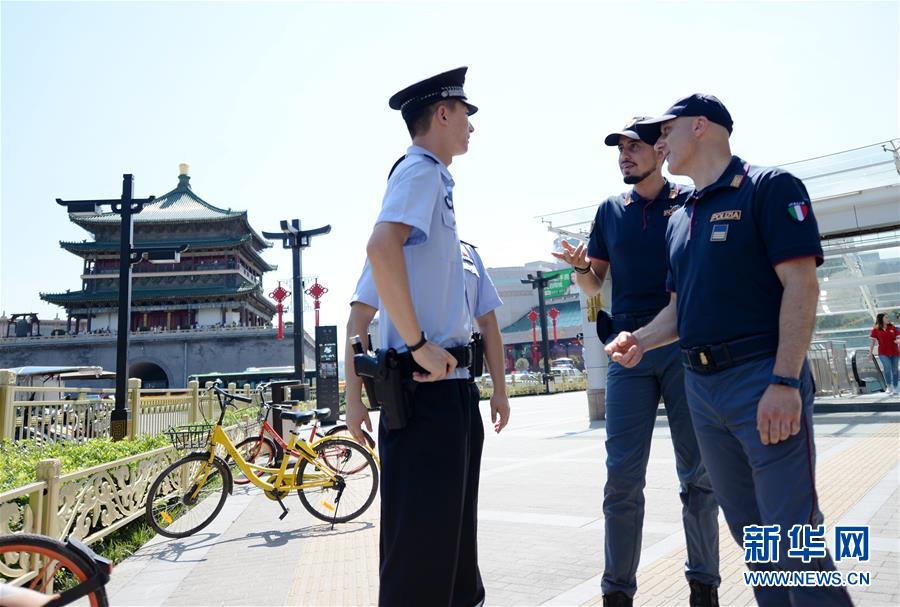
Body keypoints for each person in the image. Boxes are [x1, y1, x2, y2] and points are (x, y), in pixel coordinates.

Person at [606, 93, 853, 606]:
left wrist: (785, 381)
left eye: (665, 131)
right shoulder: (682, 216)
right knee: (754, 540)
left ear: (700, 128)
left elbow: (802, 286)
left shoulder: (768, 188)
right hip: (702, 392)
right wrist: (640, 339)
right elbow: (681, 310)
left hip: (761, 381)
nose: (659, 143)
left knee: (793, 540)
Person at [552, 117, 719, 607]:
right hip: (627, 353)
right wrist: (582, 267)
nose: (624, 156)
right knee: (622, 477)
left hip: (683, 350)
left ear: (661, 150)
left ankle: (703, 585)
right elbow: (594, 285)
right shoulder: (609, 211)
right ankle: (616, 592)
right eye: (619, 150)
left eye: (634, 147)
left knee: (698, 477)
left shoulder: (690, 203)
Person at [360, 66, 487, 607]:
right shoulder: (420, 170)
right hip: (425, 389)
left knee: (451, 551)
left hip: (448, 389)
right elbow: (379, 247)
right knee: (422, 555)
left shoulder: (435, 178)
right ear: (442, 113)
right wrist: (416, 343)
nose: (471, 128)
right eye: (465, 115)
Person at [870, 312, 899, 394]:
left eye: (888, 317)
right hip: (883, 352)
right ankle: (889, 386)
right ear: (881, 319)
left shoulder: (893, 328)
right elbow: (872, 342)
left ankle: (895, 387)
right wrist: (870, 353)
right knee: (887, 369)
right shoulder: (875, 330)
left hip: (895, 352)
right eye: (886, 317)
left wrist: (898, 341)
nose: (888, 319)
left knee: (895, 370)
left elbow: (898, 338)